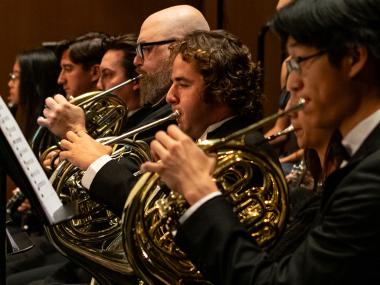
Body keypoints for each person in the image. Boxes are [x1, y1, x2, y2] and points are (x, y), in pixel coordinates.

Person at [141, 0, 380, 284]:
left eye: (298, 61)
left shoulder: (371, 175)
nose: (292, 84)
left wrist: (200, 192)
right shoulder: (360, 156)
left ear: (353, 58)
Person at [56, 5, 211, 217]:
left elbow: (151, 204)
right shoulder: (165, 108)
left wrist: (79, 135)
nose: (137, 61)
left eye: (145, 49)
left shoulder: (178, 114)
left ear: (180, 47)